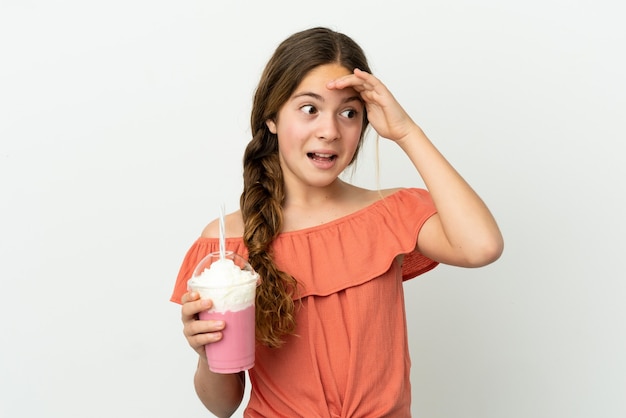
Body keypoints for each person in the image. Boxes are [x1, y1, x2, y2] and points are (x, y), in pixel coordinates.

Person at [170, 26, 503, 417]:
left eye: (348, 113)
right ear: (272, 117)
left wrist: (406, 131)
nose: (329, 131)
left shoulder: (390, 214)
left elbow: (482, 246)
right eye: (309, 109)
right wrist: (206, 354)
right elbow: (222, 406)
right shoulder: (226, 248)